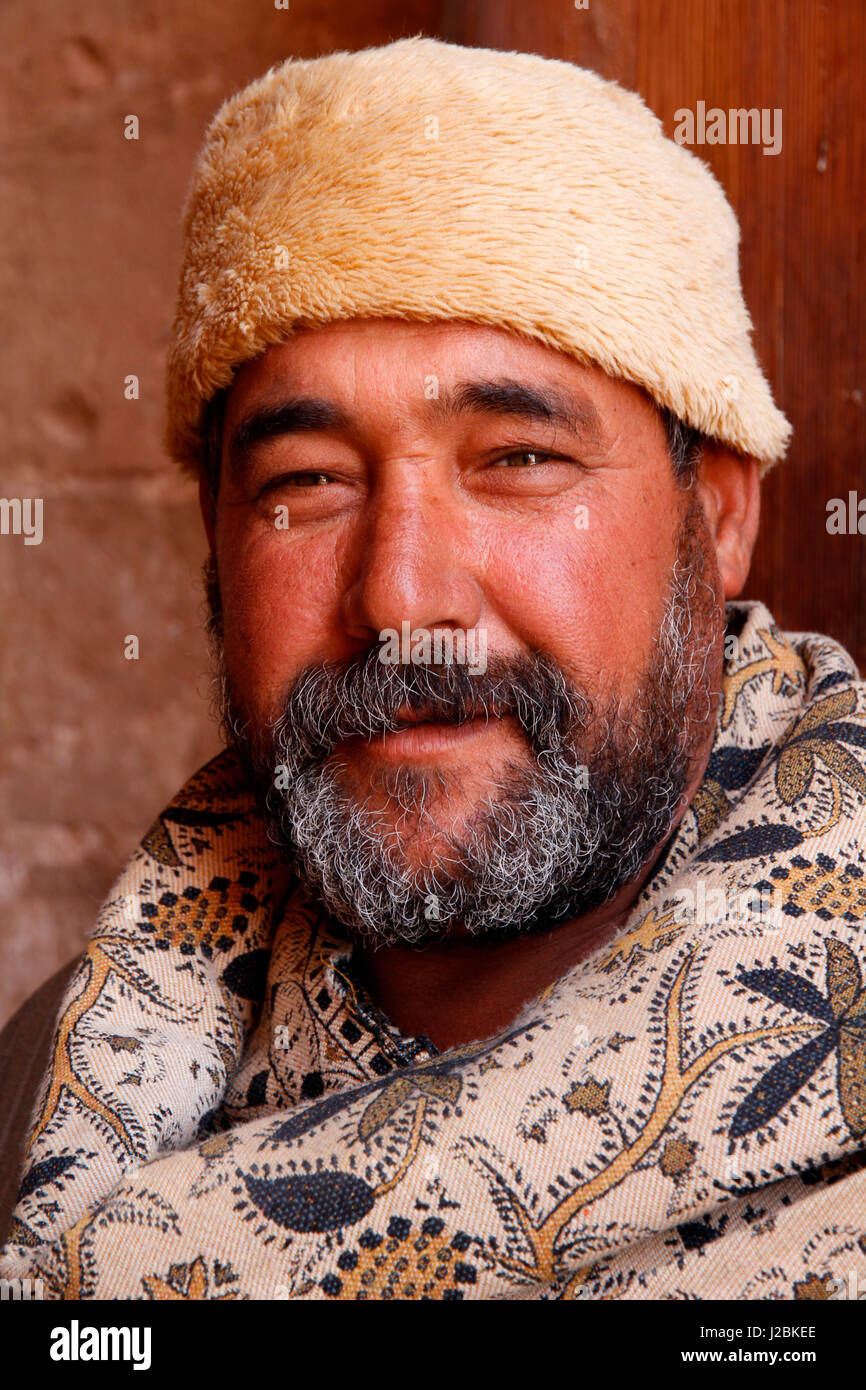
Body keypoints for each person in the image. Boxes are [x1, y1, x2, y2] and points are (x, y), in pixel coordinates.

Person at [2, 35, 865, 1301]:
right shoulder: (45, 1090)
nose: (400, 598)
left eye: (516, 459)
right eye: (306, 483)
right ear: (215, 542)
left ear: (717, 518)